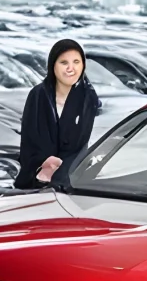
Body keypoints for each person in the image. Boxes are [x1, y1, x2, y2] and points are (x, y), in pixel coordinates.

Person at [15, 39, 99, 192]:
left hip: (70, 176)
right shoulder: (38, 94)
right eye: (64, 63)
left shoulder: (88, 97)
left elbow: (79, 144)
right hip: (37, 173)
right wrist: (44, 163)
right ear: (53, 65)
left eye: (76, 62)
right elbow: (29, 139)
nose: (70, 68)